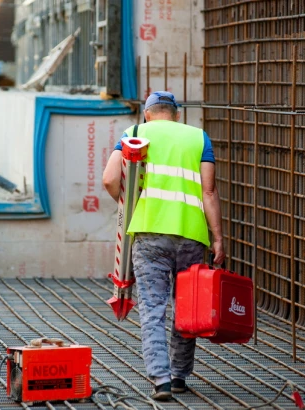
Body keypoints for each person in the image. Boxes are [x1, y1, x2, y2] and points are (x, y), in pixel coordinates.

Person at [102, 91, 226, 401]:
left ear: (147, 114)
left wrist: (128, 206)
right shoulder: (198, 138)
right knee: (187, 308)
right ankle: (180, 376)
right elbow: (209, 193)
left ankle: (160, 380)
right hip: (192, 236)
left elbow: (108, 179)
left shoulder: (134, 134)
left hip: (149, 234)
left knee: (153, 310)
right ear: (176, 115)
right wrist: (218, 239)